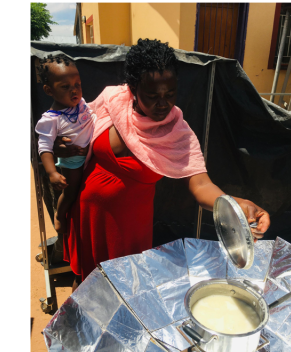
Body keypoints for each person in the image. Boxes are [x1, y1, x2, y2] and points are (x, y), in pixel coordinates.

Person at [59, 39, 271, 284]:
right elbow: (78, 134)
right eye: (152, 95)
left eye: (170, 94)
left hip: (128, 228)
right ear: (133, 89)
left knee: (124, 289)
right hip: (88, 214)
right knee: (84, 284)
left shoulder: (177, 133)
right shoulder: (111, 102)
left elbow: (201, 185)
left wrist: (236, 205)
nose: (163, 103)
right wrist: (62, 146)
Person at [34, 55, 94, 233]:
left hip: (91, 155)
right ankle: (59, 215)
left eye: (78, 85)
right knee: (70, 193)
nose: (74, 91)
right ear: (49, 90)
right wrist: (52, 172)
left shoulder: (81, 104)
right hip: (73, 162)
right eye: (65, 87)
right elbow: (44, 147)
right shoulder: (51, 119)